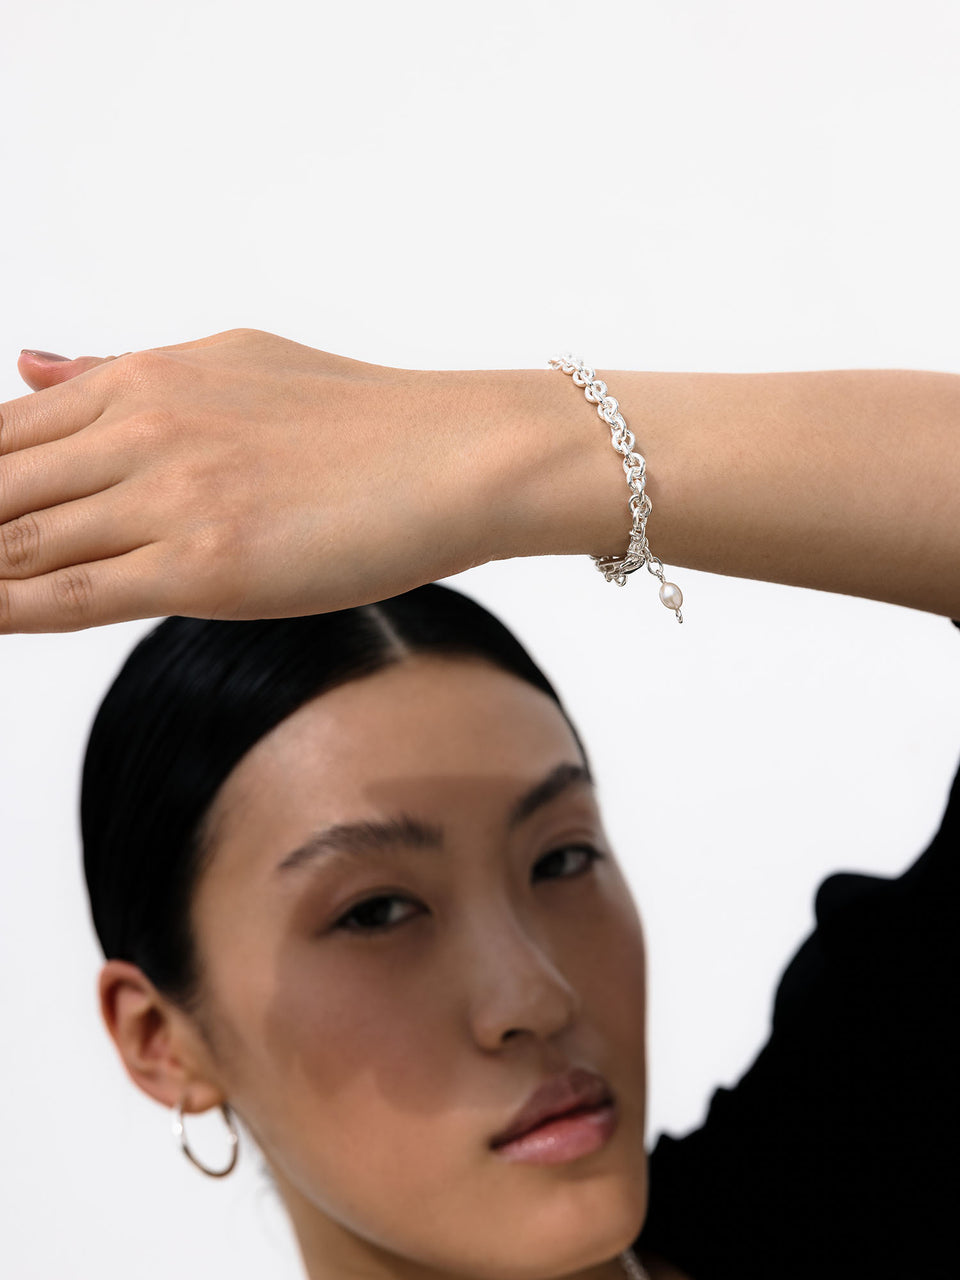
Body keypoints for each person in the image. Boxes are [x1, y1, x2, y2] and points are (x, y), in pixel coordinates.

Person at [4, 331, 959, 1279]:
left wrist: (517, 445)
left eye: (562, 859)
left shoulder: (861, 1162)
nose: (535, 998)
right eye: (377, 912)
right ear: (161, 1042)